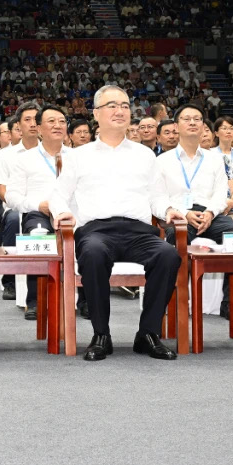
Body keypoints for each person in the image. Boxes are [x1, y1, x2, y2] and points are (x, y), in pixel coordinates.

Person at [49, 84, 181, 362]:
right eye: (112, 106)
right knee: (94, 254)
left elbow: (157, 197)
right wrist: (61, 213)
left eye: (124, 105)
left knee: (167, 255)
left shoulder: (145, 154)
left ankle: (148, 333)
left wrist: (168, 210)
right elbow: (58, 196)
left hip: (138, 232)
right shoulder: (77, 156)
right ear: (96, 113)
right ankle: (101, 334)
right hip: (97, 231)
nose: (120, 111)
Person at [4, 105, 68, 322]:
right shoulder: (25, 159)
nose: (57, 125)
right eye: (51, 121)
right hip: (39, 213)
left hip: (72, 213)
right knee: (38, 237)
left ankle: (84, 299)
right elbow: (12, 197)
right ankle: (35, 299)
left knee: (89, 237)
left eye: (61, 121)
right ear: (39, 128)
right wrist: (38, 205)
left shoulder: (78, 157)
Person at [152, 105, 233, 247]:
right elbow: (158, 197)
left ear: (203, 126)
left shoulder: (215, 159)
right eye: (186, 119)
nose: (192, 122)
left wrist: (210, 213)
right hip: (179, 215)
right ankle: (185, 270)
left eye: (197, 119)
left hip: (211, 215)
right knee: (177, 234)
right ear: (176, 126)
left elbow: (220, 194)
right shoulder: (162, 161)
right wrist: (184, 213)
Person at [0, 103, 40, 302]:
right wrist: (17, 202)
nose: (32, 124)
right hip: (15, 206)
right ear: (18, 125)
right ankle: (9, 280)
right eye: (27, 120)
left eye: (36, 119)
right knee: (13, 219)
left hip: (44, 206)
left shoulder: (52, 151)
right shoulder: (6, 155)